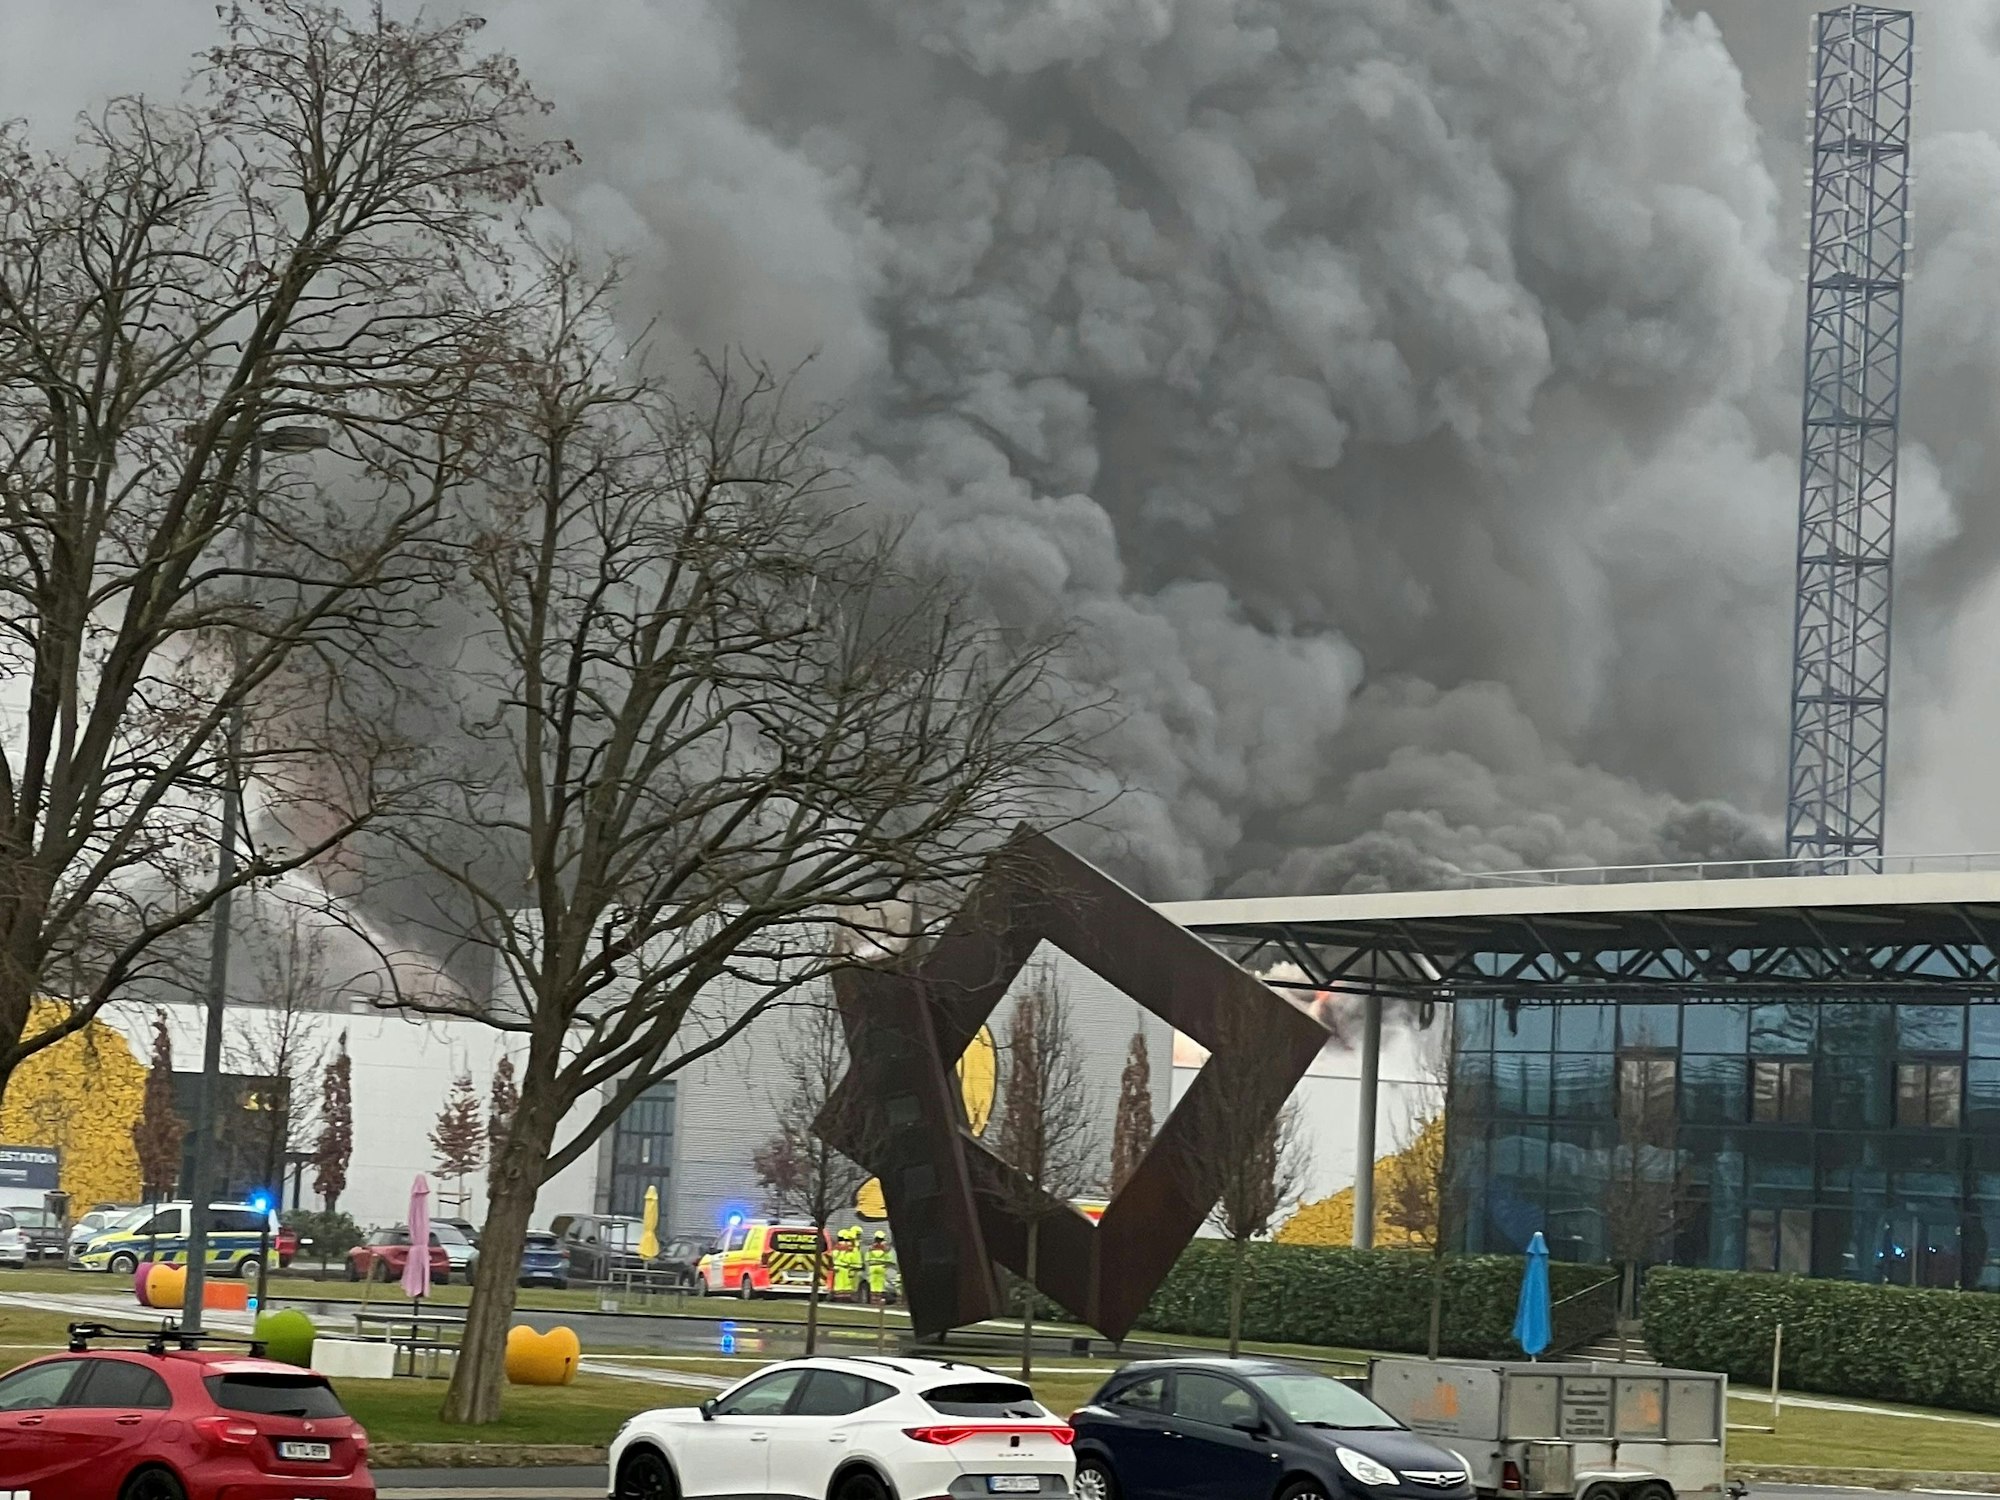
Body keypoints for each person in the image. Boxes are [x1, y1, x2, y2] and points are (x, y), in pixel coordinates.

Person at [833, 1228, 860, 1302]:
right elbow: (855, 1257)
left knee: (839, 1284)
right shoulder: (852, 1247)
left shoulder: (837, 1246)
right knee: (847, 1285)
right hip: (848, 1268)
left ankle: (839, 1298)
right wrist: (856, 1266)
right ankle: (846, 1298)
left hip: (838, 1267)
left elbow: (834, 1256)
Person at [866, 1230, 892, 1306]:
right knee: (880, 1285)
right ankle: (879, 1302)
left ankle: (873, 1301)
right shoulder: (885, 1248)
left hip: (872, 1267)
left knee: (873, 1285)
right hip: (881, 1266)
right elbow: (888, 1258)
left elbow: (867, 1258)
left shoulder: (871, 1247)